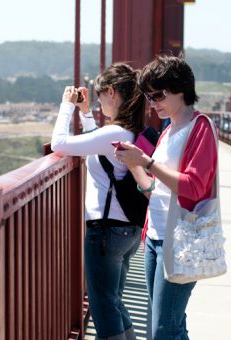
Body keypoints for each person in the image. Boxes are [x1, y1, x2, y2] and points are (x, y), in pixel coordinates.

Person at [115, 55, 217, 340]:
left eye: (158, 94)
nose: (152, 102)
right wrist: (134, 164)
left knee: (163, 329)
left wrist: (146, 162)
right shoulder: (167, 131)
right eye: (149, 96)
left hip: (179, 240)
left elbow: (194, 186)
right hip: (154, 237)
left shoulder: (200, 128)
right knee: (171, 324)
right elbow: (155, 188)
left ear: (181, 89)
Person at [51, 63, 146, 340]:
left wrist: (66, 105)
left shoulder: (113, 134)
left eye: (100, 94)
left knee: (103, 307)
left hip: (105, 232)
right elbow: (100, 149)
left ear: (112, 92)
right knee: (114, 301)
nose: (99, 99)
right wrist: (86, 113)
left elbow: (58, 143)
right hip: (127, 231)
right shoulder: (127, 131)